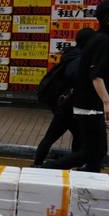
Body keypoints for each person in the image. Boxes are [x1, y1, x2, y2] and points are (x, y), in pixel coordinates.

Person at [44, 0, 109, 173]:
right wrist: (107, 103)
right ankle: (45, 169)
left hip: (87, 105)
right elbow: (95, 75)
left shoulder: (100, 39)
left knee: (96, 154)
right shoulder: (103, 42)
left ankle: (89, 187)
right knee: (89, 153)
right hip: (90, 106)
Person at [33, 28, 92, 167]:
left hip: (66, 106)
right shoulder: (79, 59)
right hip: (67, 107)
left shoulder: (71, 55)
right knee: (56, 135)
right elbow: (73, 78)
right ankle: (39, 164)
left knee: (74, 136)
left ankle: (40, 163)